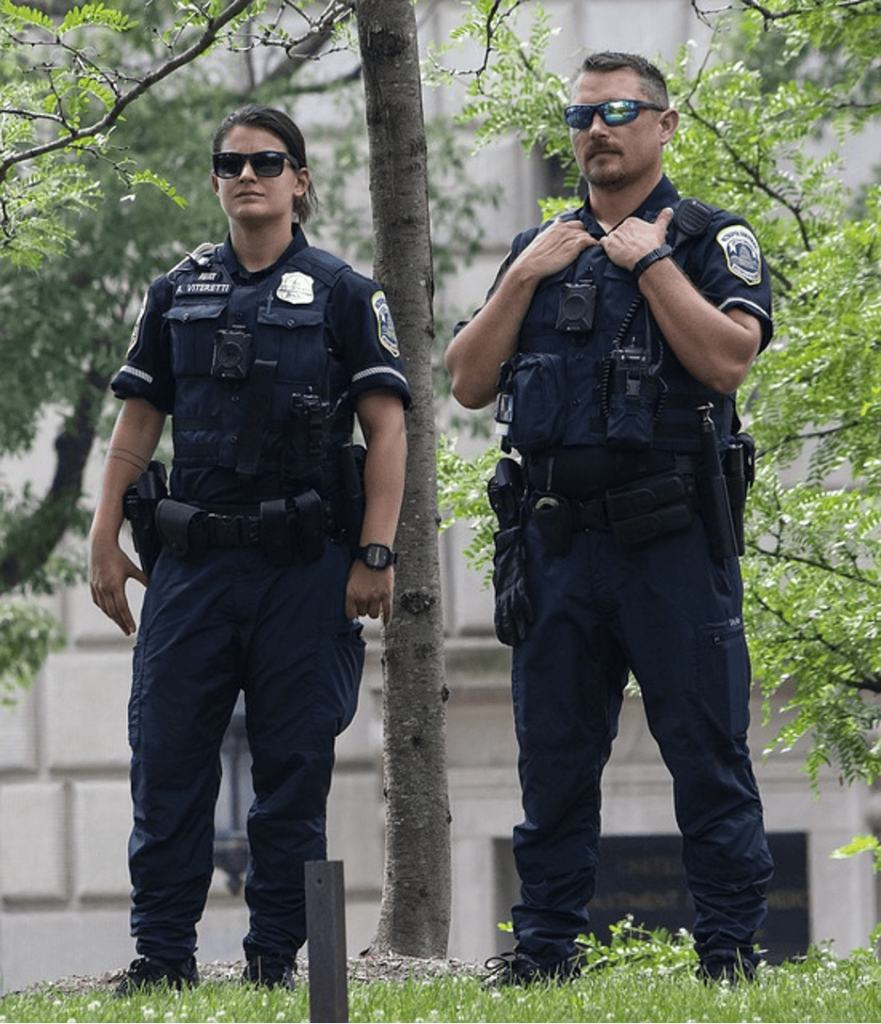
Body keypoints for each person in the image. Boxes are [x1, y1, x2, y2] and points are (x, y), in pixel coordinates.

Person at [445, 51, 774, 985]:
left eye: (620, 110)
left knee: (706, 754)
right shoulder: (537, 251)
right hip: (557, 546)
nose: (596, 128)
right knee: (551, 763)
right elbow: (467, 382)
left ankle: (729, 954)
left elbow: (725, 362)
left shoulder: (712, 238)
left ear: (663, 125)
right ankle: (543, 952)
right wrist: (520, 281)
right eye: (582, 113)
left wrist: (654, 262)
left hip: (670, 540)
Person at [89, 104, 410, 994]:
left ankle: (274, 963)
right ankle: (161, 961)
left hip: (304, 570)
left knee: (293, 772)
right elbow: (137, 425)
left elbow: (387, 430)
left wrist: (374, 555)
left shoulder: (347, 294)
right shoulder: (175, 290)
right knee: (167, 765)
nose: (247, 176)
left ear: (299, 182)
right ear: (216, 181)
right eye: (230, 163)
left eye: (268, 162)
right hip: (190, 568)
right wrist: (102, 538)